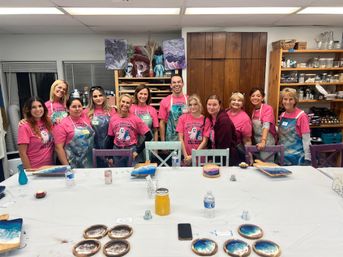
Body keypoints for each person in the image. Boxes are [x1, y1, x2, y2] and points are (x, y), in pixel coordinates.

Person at [108, 94, 152, 167]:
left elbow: (149, 136)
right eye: (123, 101)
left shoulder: (135, 119)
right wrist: (109, 156)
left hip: (131, 150)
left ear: (131, 105)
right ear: (119, 102)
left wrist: (137, 151)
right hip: (117, 151)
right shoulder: (113, 118)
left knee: (132, 174)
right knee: (119, 174)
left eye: (128, 103)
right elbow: (110, 138)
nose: (125, 104)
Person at [53, 98, 95, 168]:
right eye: (74, 107)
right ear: (67, 109)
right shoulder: (62, 124)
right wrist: (67, 167)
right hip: (73, 163)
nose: (77, 109)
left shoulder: (85, 118)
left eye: (79, 106)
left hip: (89, 160)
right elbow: (58, 148)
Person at [83, 86, 116, 167]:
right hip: (92, 148)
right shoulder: (86, 112)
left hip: (109, 147)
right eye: (95, 96)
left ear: (104, 96)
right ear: (91, 98)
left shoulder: (112, 110)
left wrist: (110, 154)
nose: (98, 98)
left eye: (100, 95)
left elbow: (115, 132)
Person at [18, 97, 54, 169]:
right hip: (34, 168)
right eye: (33, 107)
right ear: (29, 110)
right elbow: (22, 153)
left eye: (40, 106)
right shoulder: (24, 126)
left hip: (51, 167)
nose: (38, 109)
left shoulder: (49, 122)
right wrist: (30, 171)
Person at [278, 88, 311, 165]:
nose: (287, 102)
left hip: (297, 158)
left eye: (291, 99)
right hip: (282, 156)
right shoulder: (282, 115)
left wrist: (308, 157)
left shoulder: (302, 116)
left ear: (295, 100)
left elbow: (306, 139)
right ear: (282, 100)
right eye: (285, 99)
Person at [176, 94, 210, 166]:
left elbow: (205, 141)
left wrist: (193, 156)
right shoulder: (182, 118)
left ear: (199, 105)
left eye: (195, 104)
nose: (192, 107)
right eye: (190, 105)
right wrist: (186, 156)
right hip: (186, 156)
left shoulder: (205, 120)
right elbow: (180, 139)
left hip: (200, 157)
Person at [206, 95, 239, 166]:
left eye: (214, 105)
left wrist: (215, 161)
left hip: (226, 159)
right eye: (209, 104)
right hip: (217, 156)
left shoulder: (224, 121)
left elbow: (223, 146)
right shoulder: (211, 118)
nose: (211, 107)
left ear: (219, 105)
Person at [130, 85, 159, 162]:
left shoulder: (152, 110)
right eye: (141, 93)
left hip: (148, 142)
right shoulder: (131, 108)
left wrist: (155, 147)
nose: (143, 96)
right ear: (136, 94)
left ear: (148, 95)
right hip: (134, 143)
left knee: (147, 166)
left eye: (145, 94)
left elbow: (155, 130)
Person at [249, 88, 277, 160]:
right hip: (257, 141)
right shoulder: (254, 110)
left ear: (262, 98)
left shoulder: (267, 108)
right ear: (250, 98)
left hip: (267, 141)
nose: (255, 97)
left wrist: (263, 141)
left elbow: (266, 125)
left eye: (258, 96)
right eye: (253, 96)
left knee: (267, 165)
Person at [159, 74, 188, 141]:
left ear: (183, 84)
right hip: (171, 138)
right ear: (171, 85)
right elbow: (162, 123)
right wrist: (163, 143)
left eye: (179, 82)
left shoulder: (189, 100)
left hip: (186, 138)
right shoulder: (165, 101)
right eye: (174, 82)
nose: (176, 84)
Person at [226, 92, 252, 162]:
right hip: (223, 150)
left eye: (239, 100)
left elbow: (247, 140)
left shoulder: (245, 118)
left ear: (242, 103)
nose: (236, 102)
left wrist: (249, 155)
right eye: (234, 100)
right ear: (230, 101)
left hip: (236, 152)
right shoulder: (225, 113)